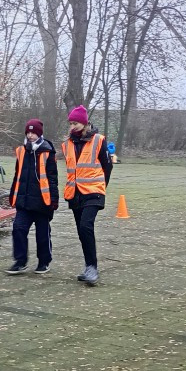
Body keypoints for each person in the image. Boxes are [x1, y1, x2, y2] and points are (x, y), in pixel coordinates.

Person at [61, 105, 112, 286]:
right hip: (75, 194)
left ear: (84, 123)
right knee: (81, 232)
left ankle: (92, 267)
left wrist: (101, 186)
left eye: (75, 123)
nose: (72, 126)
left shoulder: (98, 140)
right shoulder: (66, 144)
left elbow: (107, 166)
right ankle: (88, 266)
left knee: (86, 226)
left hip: (94, 192)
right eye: (71, 123)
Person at [5, 119, 59, 275]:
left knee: (42, 234)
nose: (30, 135)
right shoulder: (21, 151)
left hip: (42, 202)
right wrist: (13, 195)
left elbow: (52, 178)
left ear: (39, 133)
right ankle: (20, 262)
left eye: (33, 132)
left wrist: (54, 200)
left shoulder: (48, 152)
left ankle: (44, 262)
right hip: (24, 201)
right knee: (18, 229)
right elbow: (18, 175)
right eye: (28, 132)